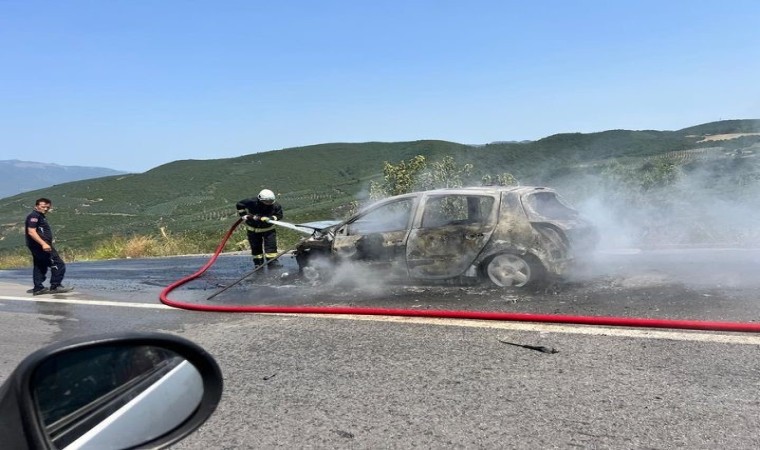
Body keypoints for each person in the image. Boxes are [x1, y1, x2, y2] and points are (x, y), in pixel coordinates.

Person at [25, 198, 73, 295]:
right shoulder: (34, 216)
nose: (46, 209)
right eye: (43, 207)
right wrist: (43, 243)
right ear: (36, 206)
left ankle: (38, 288)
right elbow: (31, 231)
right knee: (58, 264)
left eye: (48, 207)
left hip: (38, 245)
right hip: (40, 246)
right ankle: (55, 286)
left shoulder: (40, 216)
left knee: (40, 265)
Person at [236, 189, 284, 268]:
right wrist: (243, 215)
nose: (269, 203)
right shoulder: (251, 202)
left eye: (271, 201)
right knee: (255, 248)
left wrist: (271, 218)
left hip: (268, 230)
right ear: (260, 199)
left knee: (271, 247)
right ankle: (258, 263)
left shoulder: (276, 205)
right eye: (267, 201)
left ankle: (272, 262)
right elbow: (239, 205)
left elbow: (279, 215)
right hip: (253, 229)